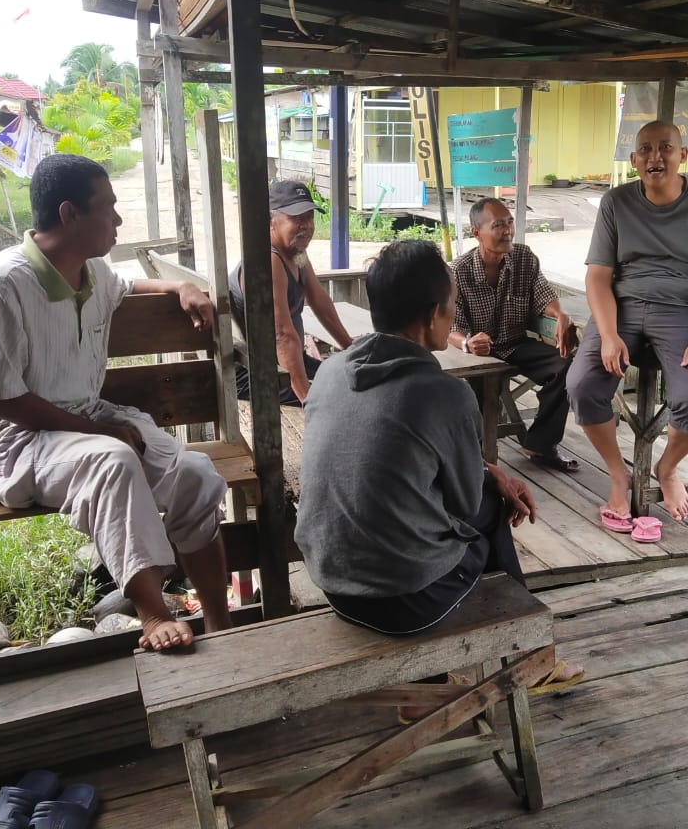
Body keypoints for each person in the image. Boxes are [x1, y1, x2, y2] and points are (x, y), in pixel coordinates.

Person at [0, 153, 233, 653]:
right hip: (9, 443)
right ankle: (153, 615)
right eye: (109, 207)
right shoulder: (2, 284)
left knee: (196, 474)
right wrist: (95, 430)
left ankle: (221, 621)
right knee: (114, 459)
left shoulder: (91, 272)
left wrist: (180, 285)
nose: (119, 219)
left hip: (81, 424)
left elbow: (130, 283)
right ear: (68, 214)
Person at [295, 240, 582, 691]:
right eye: (452, 308)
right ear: (433, 316)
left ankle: (427, 684)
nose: (453, 317)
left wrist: (490, 468)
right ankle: (529, 655)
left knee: (468, 494)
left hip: (332, 585)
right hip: (402, 604)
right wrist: (490, 478)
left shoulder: (330, 372)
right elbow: (467, 502)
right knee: (490, 508)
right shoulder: (444, 393)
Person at [566, 121, 688, 532]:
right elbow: (597, 277)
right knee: (582, 385)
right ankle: (617, 474)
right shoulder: (616, 202)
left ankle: (667, 469)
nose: (655, 157)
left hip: (685, 310)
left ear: (683, 155)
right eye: (645, 149)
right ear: (633, 161)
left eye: (666, 148)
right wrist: (608, 336)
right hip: (623, 305)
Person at [450, 198, 578, 472]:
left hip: (515, 344)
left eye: (509, 223)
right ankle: (476, 461)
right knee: (476, 389)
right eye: (498, 225)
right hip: (478, 354)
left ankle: (541, 444)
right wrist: (467, 343)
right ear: (476, 232)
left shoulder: (524, 258)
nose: (507, 231)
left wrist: (560, 315)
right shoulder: (458, 271)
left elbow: (543, 293)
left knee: (567, 366)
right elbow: (452, 326)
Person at [230, 180, 353, 406]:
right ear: (271, 221)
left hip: (286, 365)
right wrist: (307, 397)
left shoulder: (296, 253)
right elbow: (282, 335)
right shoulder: (269, 260)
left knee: (351, 381)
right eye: (296, 219)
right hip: (258, 375)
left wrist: (351, 347)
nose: (306, 226)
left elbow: (320, 302)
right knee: (343, 400)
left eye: (309, 217)